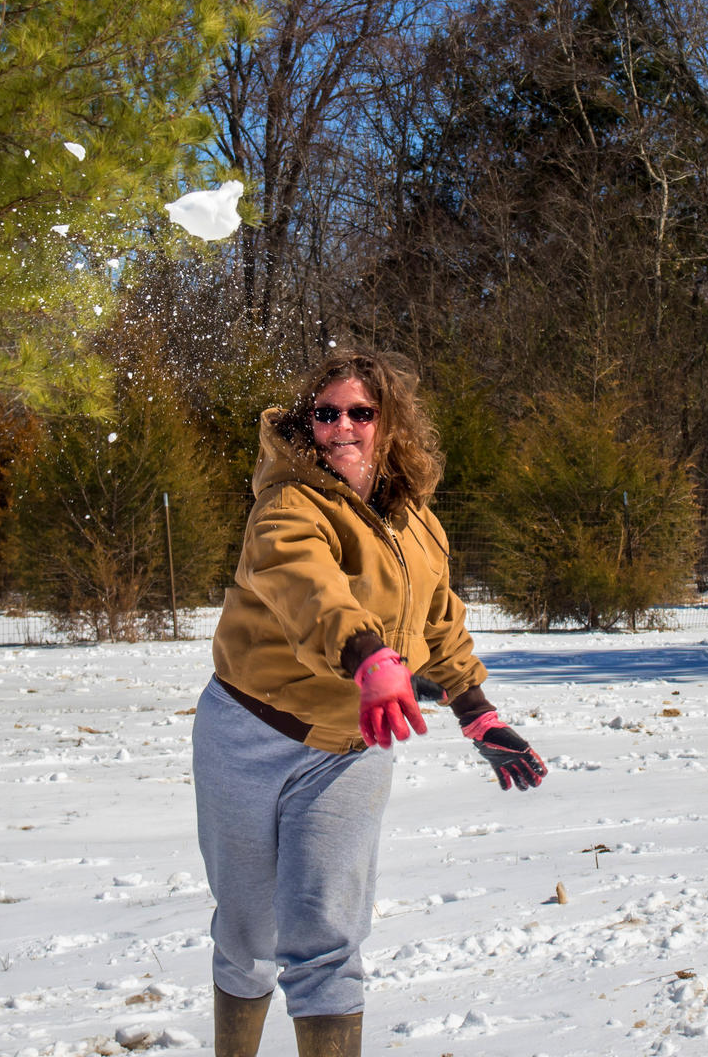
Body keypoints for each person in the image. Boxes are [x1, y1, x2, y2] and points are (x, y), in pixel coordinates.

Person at [192, 348, 548, 1057]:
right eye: (326, 413)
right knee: (247, 933)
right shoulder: (286, 504)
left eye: (361, 413)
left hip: (352, 745)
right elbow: (308, 588)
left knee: (326, 935)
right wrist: (371, 658)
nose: (343, 428)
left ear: (390, 424)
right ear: (308, 422)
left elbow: (438, 617)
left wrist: (476, 711)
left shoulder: (413, 518)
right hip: (248, 733)